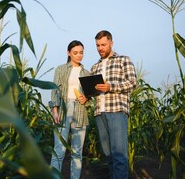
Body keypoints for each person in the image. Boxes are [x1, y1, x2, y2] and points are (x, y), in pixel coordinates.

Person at [90, 30, 137, 179]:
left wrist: (111, 87)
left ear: (111, 43)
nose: (100, 48)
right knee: (108, 156)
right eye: (97, 45)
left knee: (119, 155)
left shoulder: (123, 60)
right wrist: (87, 94)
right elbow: (93, 91)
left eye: (103, 44)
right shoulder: (94, 67)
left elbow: (132, 83)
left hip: (116, 110)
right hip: (99, 112)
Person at [49, 40, 90, 179]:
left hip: (80, 112)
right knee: (58, 151)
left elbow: (91, 96)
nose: (79, 55)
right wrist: (54, 110)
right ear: (68, 53)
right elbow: (54, 91)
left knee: (77, 152)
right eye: (75, 53)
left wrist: (87, 99)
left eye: (81, 52)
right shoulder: (60, 69)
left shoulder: (87, 73)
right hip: (63, 110)